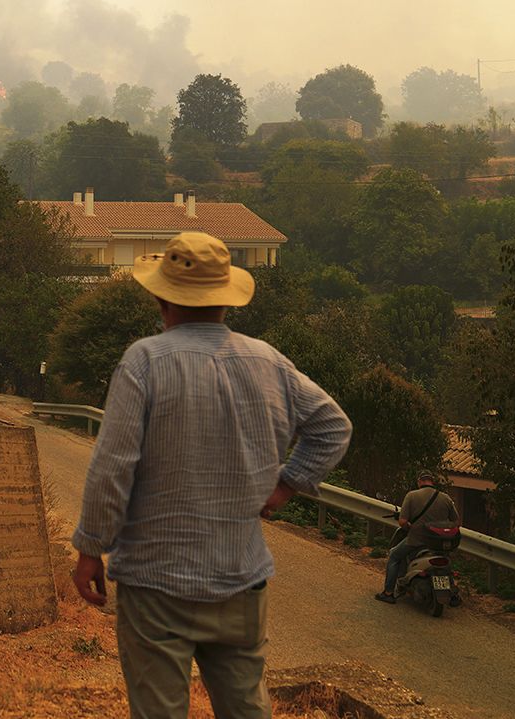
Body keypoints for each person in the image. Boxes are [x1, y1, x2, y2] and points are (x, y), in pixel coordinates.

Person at [70, 232, 352, 719]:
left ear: (162, 298)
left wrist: (91, 547)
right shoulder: (268, 361)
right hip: (240, 579)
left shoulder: (145, 361)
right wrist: (286, 485)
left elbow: (112, 467)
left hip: (156, 583)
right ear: (226, 298)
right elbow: (333, 426)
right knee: (246, 709)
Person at [377, 471, 461, 604]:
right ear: (432, 481)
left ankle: (388, 593)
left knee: (394, 556)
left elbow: (403, 522)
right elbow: (456, 522)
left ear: (419, 481)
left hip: (416, 540)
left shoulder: (412, 496)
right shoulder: (445, 498)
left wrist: (410, 527)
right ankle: (454, 595)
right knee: (446, 562)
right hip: (439, 543)